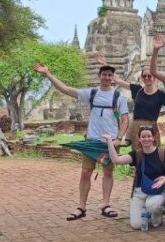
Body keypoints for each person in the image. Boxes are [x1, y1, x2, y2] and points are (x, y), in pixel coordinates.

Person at [34, 62, 130, 221]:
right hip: (92, 140)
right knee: (86, 172)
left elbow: (125, 120)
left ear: (113, 78)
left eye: (109, 75)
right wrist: (48, 74)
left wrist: (119, 139)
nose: (107, 77)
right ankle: (81, 207)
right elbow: (65, 89)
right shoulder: (91, 93)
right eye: (104, 74)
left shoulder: (119, 97)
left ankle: (106, 204)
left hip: (110, 142)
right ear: (99, 77)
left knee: (108, 172)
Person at [93, 53, 165, 153]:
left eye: (149, 76)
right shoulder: (137, 90)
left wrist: (161, 114)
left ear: (154, 77)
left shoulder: (161, 95)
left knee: (153, 154)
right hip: (136, 127)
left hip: (152, 127)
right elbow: (118, 80)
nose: (146, 78)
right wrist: (104, 64)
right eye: (144, 76)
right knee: (137, 154)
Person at [102, 127, 165, 230]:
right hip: (140, 193)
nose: (146, 139)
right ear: (139, 139)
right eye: (143, 137)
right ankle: (145, 209)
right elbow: (116, 160)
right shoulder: (137, 154)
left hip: (157, 192)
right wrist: (109, 141)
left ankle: (156, 213)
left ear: (153, 138)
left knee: (153, 205)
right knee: (136, 225)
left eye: (149, 136)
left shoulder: (162, 154)